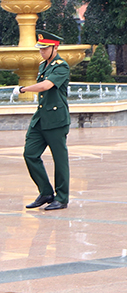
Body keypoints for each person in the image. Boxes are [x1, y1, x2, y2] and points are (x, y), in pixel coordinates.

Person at [22, 31, 72, 211]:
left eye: (45, 49)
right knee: (30, 154)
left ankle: (62, 198)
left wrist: (23, 89)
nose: (41, 52)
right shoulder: (44, 65)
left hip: (56, 120)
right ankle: (45, 192)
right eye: (40, 49)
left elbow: (46, 86)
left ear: (55, 48)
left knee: (60, 160)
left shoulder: (61, 66)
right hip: (40, 120)